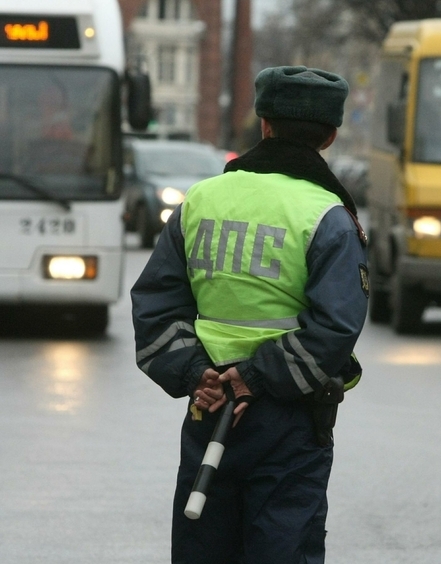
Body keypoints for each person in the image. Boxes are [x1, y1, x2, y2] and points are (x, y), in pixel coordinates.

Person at [131, 65, 369, 564]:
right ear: (330, 136)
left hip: (209, 404)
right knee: (283, 546)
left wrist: (197, 374)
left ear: (264, 125)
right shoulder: (327, 215)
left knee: (203, 545)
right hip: (288, 419)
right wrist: (255, 378)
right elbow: (336, 326)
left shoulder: (201, 199)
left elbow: (156, 304)